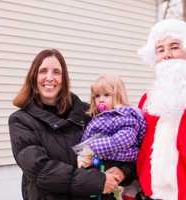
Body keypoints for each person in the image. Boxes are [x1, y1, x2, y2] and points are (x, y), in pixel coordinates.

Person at [8, 48, 136, 200]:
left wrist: (122, 171)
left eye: (56, 72)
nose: (50, 77)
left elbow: (124, 145)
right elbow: (41, 170)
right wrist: (98, 181)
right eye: (43, 71)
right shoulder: (21, 120)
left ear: (64, 79)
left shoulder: (88, 112)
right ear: (33, 77)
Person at [136, 19, 186, 200]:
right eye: (160, 49)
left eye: (174, 47)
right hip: (151, 195)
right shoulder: (147, 100)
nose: (167, 55)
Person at [76, 74, 146, 200]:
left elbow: (124, 139)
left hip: (117, 161)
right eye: (97, 96)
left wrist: (93, 148)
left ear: (118, 96)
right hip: (96, 161)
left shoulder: (124, 116)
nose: (101, 100)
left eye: (106, 95)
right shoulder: (98, 117)